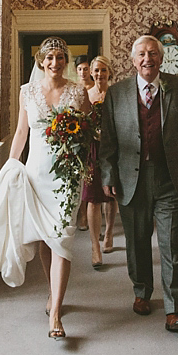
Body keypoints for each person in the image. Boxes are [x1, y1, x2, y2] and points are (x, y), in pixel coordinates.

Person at [99, 35, 178, 333]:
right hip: (130, 180)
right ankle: (141, 292)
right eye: (141, 54)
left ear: (161, 59)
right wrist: (108, 175)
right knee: (136, 244)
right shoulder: (116, 93)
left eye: (152, 53)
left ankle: (174, 309)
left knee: (170, 244)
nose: (147, 58)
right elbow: (108, 140)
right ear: (132, 60)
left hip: (170, 179)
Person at [0, 37, 90, 340]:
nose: (55, 63)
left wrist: (83, 161)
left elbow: (90, 131)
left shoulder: (78, 92)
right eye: (50, 57)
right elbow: (21, 132)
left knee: (62, 239)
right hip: (37, 174)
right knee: (44, 240)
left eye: (61, 57)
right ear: (41, 61)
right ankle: (54, 293)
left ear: (66, 61)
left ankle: (55, 313)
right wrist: (11, 166)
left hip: (66, 176)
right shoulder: (27, 92)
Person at [82, 55, 118, 268]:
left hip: (113, 149)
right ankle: (95, 246)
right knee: (93, 197)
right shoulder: (86, 94)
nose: (99, 74)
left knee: (111, 194)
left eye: (103, 70)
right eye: (96, 70)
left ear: (109, 72)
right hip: (93, 149)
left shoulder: (116, 94)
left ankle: (110, 233)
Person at [73, 54, 94, 230]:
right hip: (78, 137)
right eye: (80, 69)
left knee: (91, 178)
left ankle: (91, 214)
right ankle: (82, 216)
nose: (83, 72)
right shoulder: (74, 90)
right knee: (80, 177)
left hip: (93, 137)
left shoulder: (96, 88)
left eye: (85, 69)